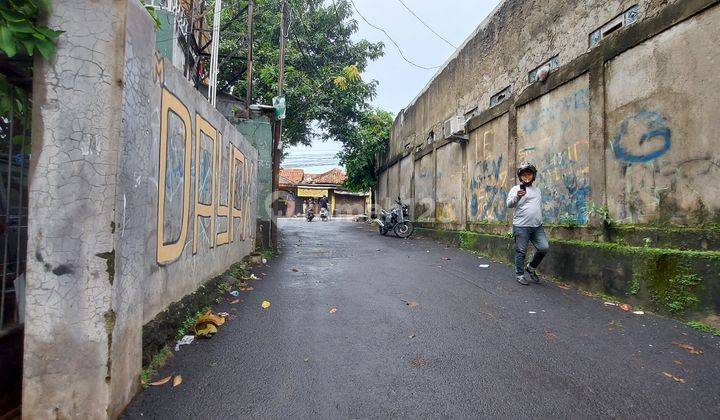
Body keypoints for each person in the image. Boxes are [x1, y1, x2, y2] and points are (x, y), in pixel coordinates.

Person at [506, 162, 549, 285]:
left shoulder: (537, 190)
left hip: (537, 226)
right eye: (524, 175)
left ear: (533, 176)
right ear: (520, 177)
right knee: (521, 251)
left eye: (529, 174)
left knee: (544, 248)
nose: (526, 177)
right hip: (521, 226)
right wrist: (518, 197)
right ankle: (520, 275)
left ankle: (531, 268)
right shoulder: (515, 189)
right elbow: (509, 204)